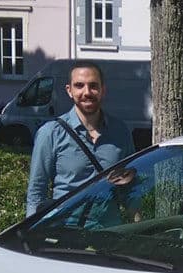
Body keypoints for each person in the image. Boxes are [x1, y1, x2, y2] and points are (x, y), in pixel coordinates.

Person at [25, 61, 135, 217]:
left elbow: (130, 188)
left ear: (103, 90)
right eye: (79, 85)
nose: (87, 92)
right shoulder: (50, 133)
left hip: (109, 232)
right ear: (69, 91)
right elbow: (36, 192)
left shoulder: (120, 132)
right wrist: (30, 235)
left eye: (93, 86)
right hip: (66, 230)